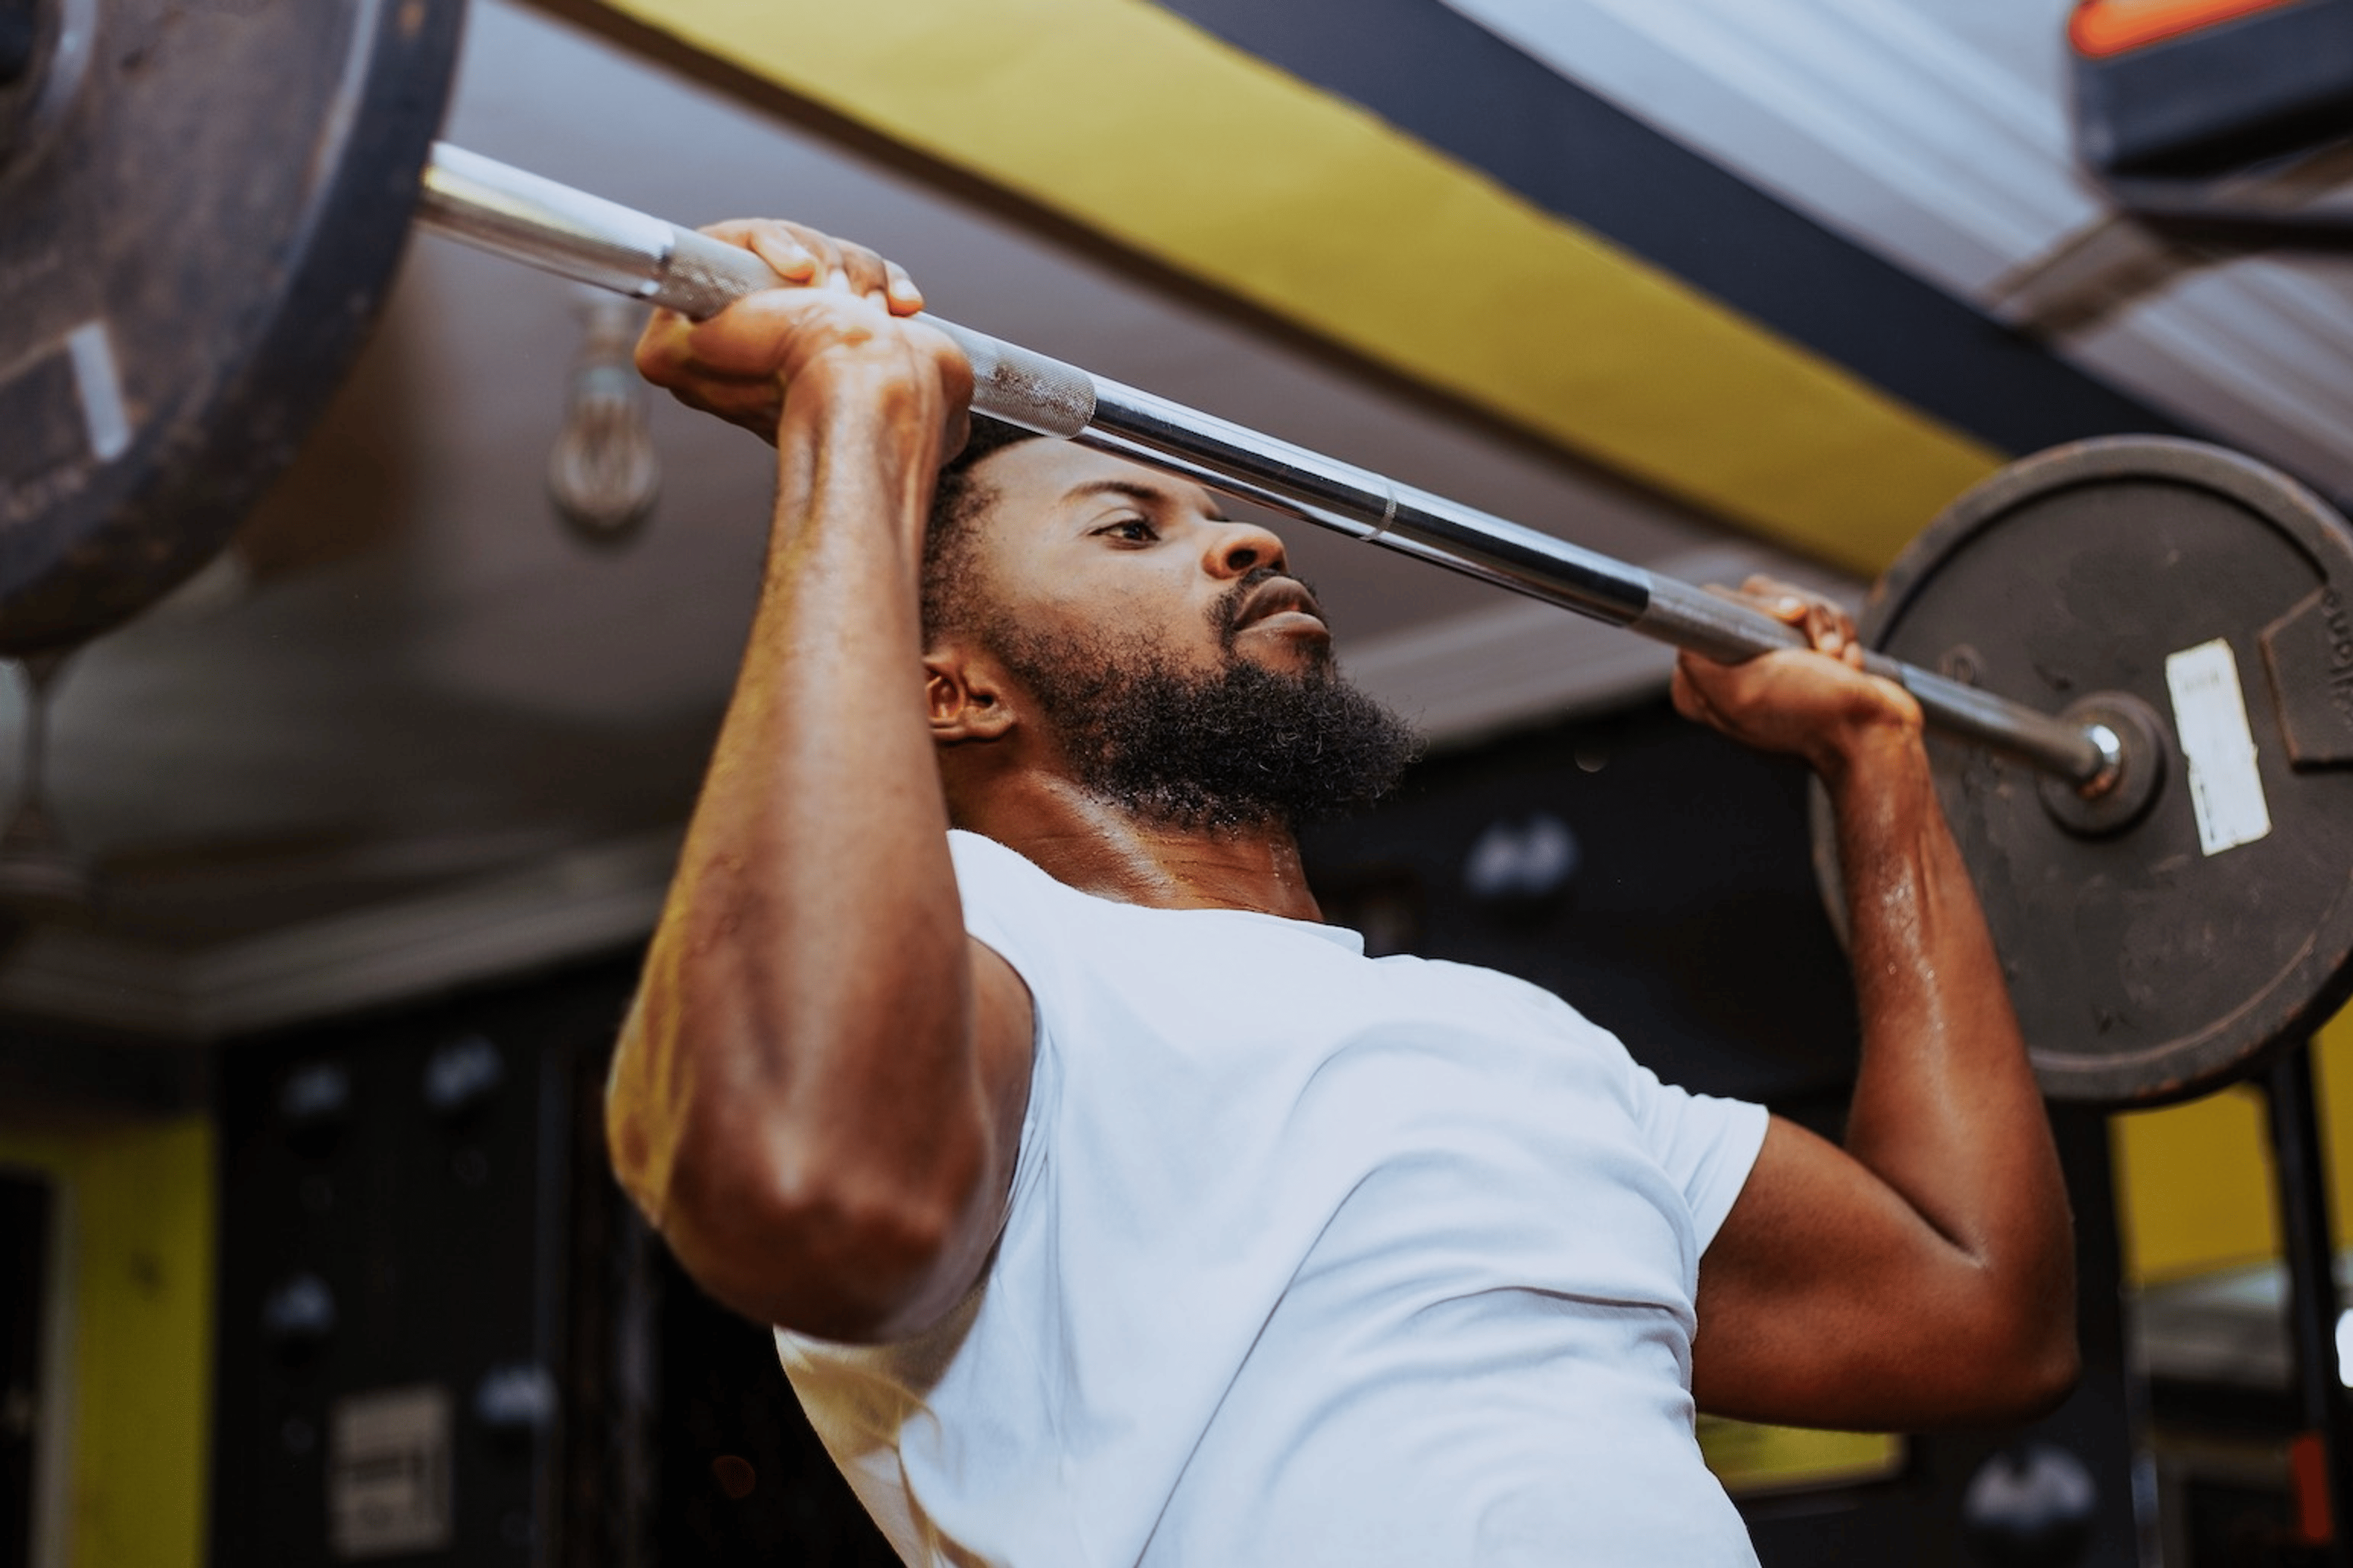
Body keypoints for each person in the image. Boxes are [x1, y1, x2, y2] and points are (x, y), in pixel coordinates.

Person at [604, 219, 2078, 1567]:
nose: (1246, 537)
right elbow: (801, 1177)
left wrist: (1873, 757)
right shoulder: (1003, 958)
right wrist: (853, 428)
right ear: (955, 691)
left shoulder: (1515, 1042)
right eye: (1133, 528)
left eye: (1215, 518)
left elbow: (1982, 1311)